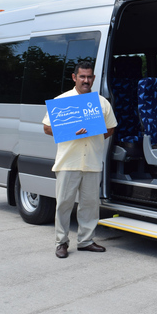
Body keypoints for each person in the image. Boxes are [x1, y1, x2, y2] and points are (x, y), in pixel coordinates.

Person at [42, 61, 118, 258]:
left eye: (89, 77)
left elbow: (111, 128)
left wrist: (94, 133)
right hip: (68, 162)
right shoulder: (62, 101)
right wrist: (69, 131)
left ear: (93, 78)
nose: (86, 80)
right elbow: (47, 128)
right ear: (74, 77)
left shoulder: (101, 103)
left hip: (92, 162)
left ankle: (86, 241)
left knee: (90, 205)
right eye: (82, 76)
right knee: (64, 204)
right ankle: (61, 243)